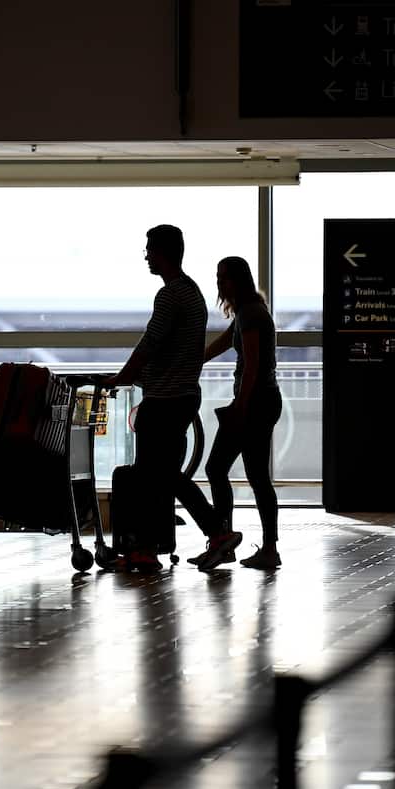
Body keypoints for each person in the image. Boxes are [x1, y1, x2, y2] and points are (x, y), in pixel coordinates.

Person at [105, 225, 244, 570]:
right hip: (183, 395)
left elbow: (151, 343)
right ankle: (150, 549)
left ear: (165, 252)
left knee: (156, 474)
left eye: (150, 249)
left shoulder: (169, 296)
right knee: (161, 476)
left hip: (165, 399)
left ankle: (209, 533)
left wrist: (124, 376)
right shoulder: (192, 292)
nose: (147, 255)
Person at [189, 256, 282, 570]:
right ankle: (261, 547)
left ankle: (225, 540)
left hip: (255, 403)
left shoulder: (251, 313)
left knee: (217, 468)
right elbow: (224, 343)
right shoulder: (247, 311)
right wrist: (193, 361)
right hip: (261, 401)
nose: (219, 283)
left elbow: (253, 364)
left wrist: (240, 406)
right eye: (217, 277)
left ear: (239, 280)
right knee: (255, 476)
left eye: (223, 278)